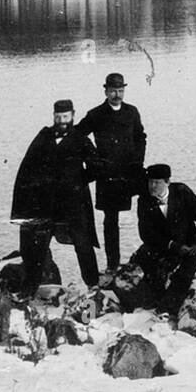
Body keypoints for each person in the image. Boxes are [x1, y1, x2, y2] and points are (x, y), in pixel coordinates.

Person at [11, 99, 103, 294]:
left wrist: (78, 181)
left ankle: (93, 284)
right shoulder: (43, 137)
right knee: (37, 247)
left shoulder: (80, 138)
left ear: (73, 115)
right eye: (58, 117)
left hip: (74, 203)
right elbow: (27, 168)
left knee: (83, 244)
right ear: (53, 116)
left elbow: (97, 167)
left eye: (66, 117)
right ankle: (29, 289)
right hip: (46, 204)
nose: (62, 121)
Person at [76, 72, 147, 271]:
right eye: (113, 90)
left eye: (121, 90)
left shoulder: (132, 112)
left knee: (150, 203)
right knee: (111, 221)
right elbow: (78, 135)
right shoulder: (96, 114)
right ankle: (112, 264)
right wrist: (93, 158)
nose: (117, 94)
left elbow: (141, 137)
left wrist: (138, 161)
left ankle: (152, 252)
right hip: (108, 174)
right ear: (106, 91)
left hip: (131, 170)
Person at [134, 163, 196, 315]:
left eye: (157, 182)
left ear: (167, 182)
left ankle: (168, 308)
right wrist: (172, 245)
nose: (152, 186)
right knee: (145, 259)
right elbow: (145, 233)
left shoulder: (182, 192)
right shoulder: (143, 200)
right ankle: (153, 300)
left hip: (190, 244)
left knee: (188, 268)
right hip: (164, 246)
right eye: (150, 182)